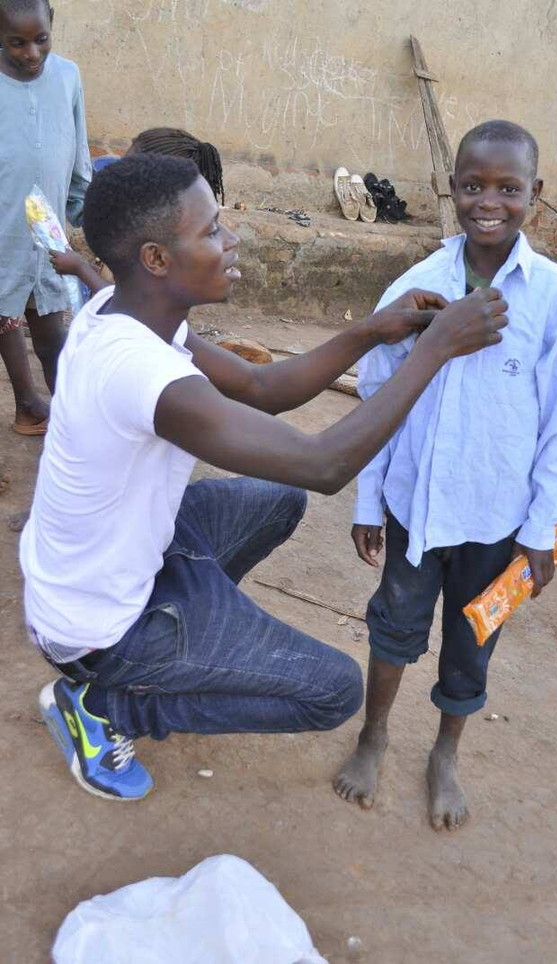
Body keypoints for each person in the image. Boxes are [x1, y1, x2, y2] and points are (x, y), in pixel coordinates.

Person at [20, 153, 507, 802]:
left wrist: (371, 330)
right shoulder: (145, 375)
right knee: (333, 691)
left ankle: (185, 643)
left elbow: (260, 387)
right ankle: (107, 705)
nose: (232, 239)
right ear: (157, 259)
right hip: (93, 625)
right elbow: (325, 465)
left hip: (109, 565)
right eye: (211, 230)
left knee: (277, 499)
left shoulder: (127, 311)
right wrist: (437, 348)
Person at [333, 120, 557, 830]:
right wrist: (368, 500)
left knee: (474, 641)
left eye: (509, 188)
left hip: (499, 518)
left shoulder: (556, 297)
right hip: (415, 507)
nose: (490, 202)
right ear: (451, 188)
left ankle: (445, 753)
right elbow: (376, 397)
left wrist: (540, 528)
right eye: (473, 185)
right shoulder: (416, 287)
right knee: (393, 627)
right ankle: (374, 736)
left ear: (536, 194)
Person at [0, 0, 91, 434]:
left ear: (52, 26)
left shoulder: (68, 76)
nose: (31, 53)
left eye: (41, 40)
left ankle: (69, 416)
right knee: (4, 316)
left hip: (47, 227)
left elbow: (79, 149)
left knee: (52, 327)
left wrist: (85, 208)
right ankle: (28, 405)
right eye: (17, 43)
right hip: (3, 226)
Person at [49, 127, 226, 297]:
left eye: (127, 166)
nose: (118, 171)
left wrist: (81, 269)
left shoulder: (157, 244)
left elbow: (127, 300)